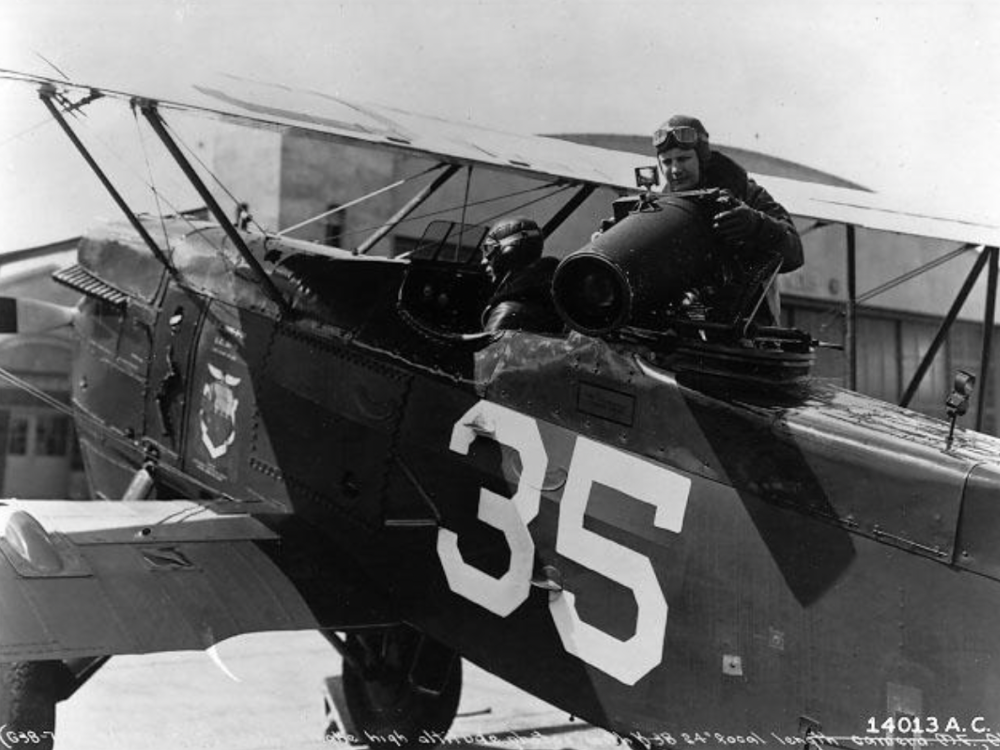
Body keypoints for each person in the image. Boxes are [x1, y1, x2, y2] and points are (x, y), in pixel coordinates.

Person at [652, 115, 803, 325]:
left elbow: (794, 252)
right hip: (684, 330)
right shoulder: (658, 209)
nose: (676, 170)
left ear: (702, 159)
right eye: (667, 162)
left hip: (748, 329)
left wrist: (756, 225)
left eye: (684, 159)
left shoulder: (746, 194)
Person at [480, 216, 563, 334]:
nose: (484, 261)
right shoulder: (552, 297)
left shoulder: (509, 310)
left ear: (508, 251)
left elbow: (487, 351)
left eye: (490, 249)